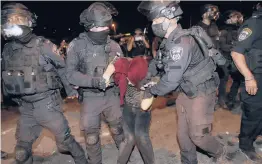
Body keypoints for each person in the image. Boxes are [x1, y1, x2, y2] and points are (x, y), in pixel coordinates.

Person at [137, 1, 233, 163]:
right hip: (186, 91)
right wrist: (146, 78)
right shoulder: (169, 41)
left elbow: (170, 82)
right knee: (183, 136)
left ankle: (221, 152)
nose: (153, 24)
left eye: (156, 21)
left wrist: (151, 91)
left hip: (201, 92)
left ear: (168, 19)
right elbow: (157, 62)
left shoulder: (182, 43)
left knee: (198, 136)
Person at [1, 3, 87, 164]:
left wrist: (71, 90)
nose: (12, 24)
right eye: (8, 21)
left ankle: (82, 160)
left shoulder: (42, 45)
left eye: (17, 20)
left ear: (28, 22)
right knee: (21, 152)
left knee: (66, 141)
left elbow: (62, 66)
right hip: (25, 107)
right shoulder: (7, 49)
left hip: (47, 104)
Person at [65, 2, 125, 164]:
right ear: (89, 26)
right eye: (98, 27)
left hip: (111, 95)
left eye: (105, 27)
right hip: (91, 97)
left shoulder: (113, 45)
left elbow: (122, 70)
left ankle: (127, 158)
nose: (103, 31)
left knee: (118, 129)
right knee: (91, 137)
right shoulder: (77, 46)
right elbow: (70, 75)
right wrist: (94, 82)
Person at [231, 2, 262, 162]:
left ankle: (257, 136)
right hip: (255, 78)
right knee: (253, 113)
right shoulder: (254, 23)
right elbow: (237, 53)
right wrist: (249, 78)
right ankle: (245, 144)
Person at [109, 57, 155, 164]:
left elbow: (144, 106)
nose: (128, 79)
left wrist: (150, 91)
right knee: (129, 138)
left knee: (141, 137)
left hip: (143, 111)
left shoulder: (149, 80)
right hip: (128, 107)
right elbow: (117, 68)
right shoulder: (127, 72)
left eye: (131, 77)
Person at [219, 10, 244, 112]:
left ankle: (231, 98)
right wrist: (235, 47)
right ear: (229, 18)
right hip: (225, 58)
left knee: (238, 80)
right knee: (223, 80)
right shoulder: (224, 31)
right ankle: (222, 99)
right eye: (235, 17)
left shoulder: (241, 30)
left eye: (238, 17)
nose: (237, 19)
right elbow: (222, 46)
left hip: (236, 59)